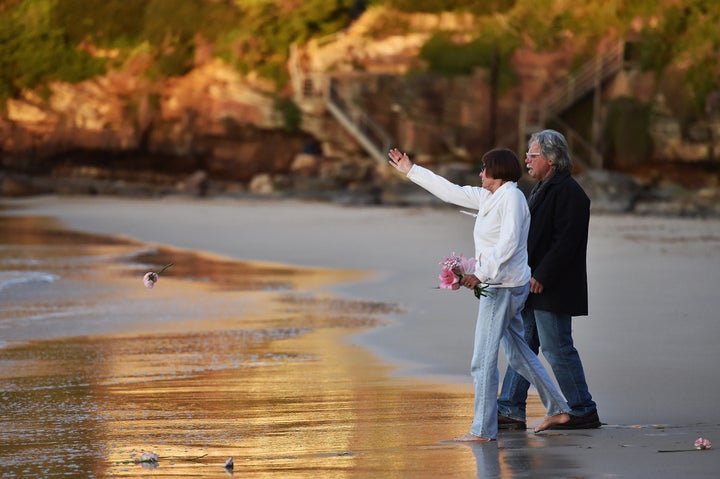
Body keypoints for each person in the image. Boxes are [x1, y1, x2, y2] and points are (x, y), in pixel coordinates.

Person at [388, 147, 570, 441]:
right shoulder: (490, 196)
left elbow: (509, 243)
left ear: (498, 171)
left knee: (482, 360)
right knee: (519, 354)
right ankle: (558, 409)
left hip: (503, 288)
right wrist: (411, 170)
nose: (480, 173)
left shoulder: (512, 197)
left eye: (484, 168)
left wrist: (479, 273)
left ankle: (483, 430)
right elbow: (450, 192)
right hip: (503, 285)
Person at [497, 129, 601, 430]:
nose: (526, 160)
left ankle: (583, 409)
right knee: (524, 345)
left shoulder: (570, 193)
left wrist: (542, 274)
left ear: (551, 160)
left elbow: (566, 242)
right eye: (527, 154)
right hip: (532, 283)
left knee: (558, 348)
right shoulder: (543, 188)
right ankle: (510, 409)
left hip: (552, 286)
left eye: (533, 154)